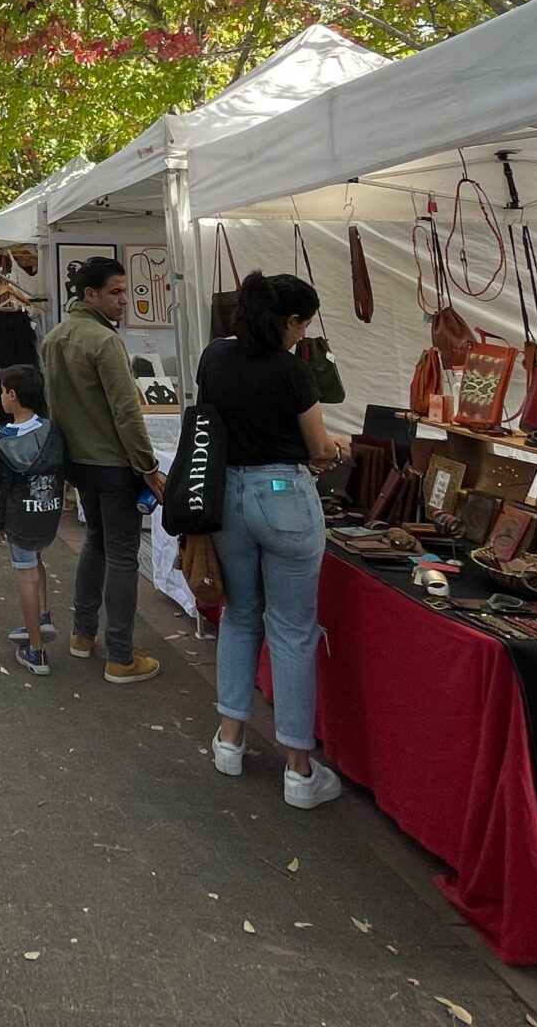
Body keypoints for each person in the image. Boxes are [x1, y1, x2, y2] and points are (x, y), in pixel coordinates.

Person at [202, 270, 348, 809]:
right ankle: (298, 768)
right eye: (303, 324)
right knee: (291, 631)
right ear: (289, 321)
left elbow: (209, 422)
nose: (302, 333)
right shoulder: (294, 372)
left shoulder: (216, 356)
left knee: (241, 616)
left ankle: (230, 741)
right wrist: (338, 449)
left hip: (228, 496)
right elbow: (318, 448)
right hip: (284, 493)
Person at [43, 255, 164, 685]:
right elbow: (126, 412)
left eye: (125, 291)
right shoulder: (103, 341)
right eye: (115, 292)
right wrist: (148, 466)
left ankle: (82, 634)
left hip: (78, 461)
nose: (123, 301)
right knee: (122, 556)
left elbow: (56, 405)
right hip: (112, 463)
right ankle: (121, 654)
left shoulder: (56, 337)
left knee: (97, 542)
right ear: (89, 294)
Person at [0, 364, 66, 677]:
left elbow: (0, 487)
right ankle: (43, 616)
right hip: (49, 511)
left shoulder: (5, 441)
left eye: (4, 391)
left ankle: (36, 649)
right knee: (37, 563)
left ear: (13, 396)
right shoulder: (51, 430)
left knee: (26, 576)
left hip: (20, 515)